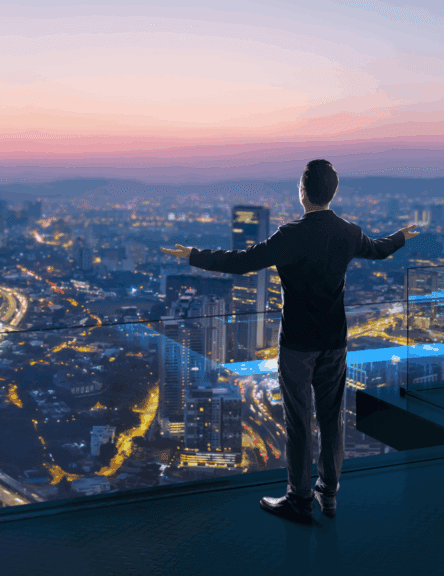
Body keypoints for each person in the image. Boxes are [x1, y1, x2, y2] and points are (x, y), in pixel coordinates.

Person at [161, 159, 419, 523]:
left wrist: (192, 255)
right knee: (331, 421)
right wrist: (401, 237)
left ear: (302, 192)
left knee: (299, 423)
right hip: (334, 342)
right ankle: (328, 494)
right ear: (334, 192)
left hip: (297, 344)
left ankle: (299, 499)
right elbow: (378, 249)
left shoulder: (289, 235)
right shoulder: (348, 232)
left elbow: (241, 262)